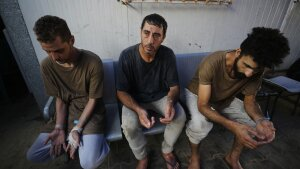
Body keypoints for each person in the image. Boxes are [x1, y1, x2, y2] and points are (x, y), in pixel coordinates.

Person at [185, 27, 290, 169]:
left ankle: (232, 157)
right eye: (246, 66)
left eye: (255, 70)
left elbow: (250, 102)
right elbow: (203, 105)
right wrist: (233, 126)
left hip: (224, 98)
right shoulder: (213, 61)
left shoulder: (256, 71)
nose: (248, 74)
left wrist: (261, 119)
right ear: (238, 52)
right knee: (200, 124)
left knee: (252, 124)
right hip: (197, 95)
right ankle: (195, 156)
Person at [26, 15, 109, 169]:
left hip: (90, 113)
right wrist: (58, 127)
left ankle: (91, 143)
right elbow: (60, 99)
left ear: (71, 40)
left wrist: (77, 129)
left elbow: (93, 100)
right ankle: (71, 141)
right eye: (47, 51)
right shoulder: (46, 65)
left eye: (58, 50)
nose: (54, 57)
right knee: (33, 154)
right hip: (65, 114)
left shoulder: (92, 62)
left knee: (88, 163)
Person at [116, 13, 186, 169]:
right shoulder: (127, 56)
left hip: (160, 96)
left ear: (163, 37)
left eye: (156, 35)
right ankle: (142, 157)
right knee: (129, 124)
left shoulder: (168, 55)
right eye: (146, 33)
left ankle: (167, 150)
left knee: (180, 116)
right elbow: (121, 92)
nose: (150, 41)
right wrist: (139, 110)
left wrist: (169, 102)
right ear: (140, 31)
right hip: (135, 100)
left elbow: (174, 87)